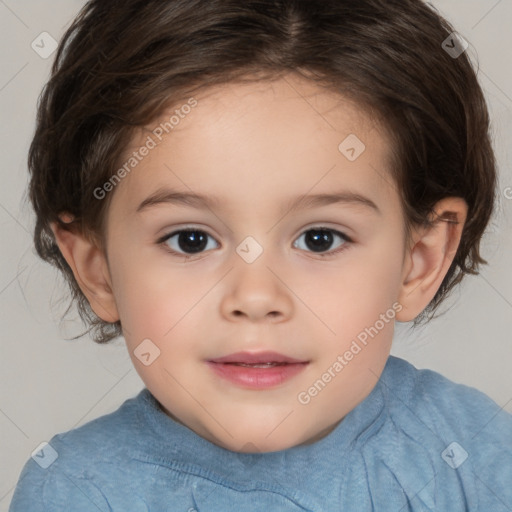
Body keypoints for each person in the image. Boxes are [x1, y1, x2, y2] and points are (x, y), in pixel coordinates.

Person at [10, 0, 512, 510]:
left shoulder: (476, 455)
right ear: (98, 270)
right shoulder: (77, 491)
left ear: (419, 260)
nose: (255, 297)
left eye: (320, 238)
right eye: (191, 240)